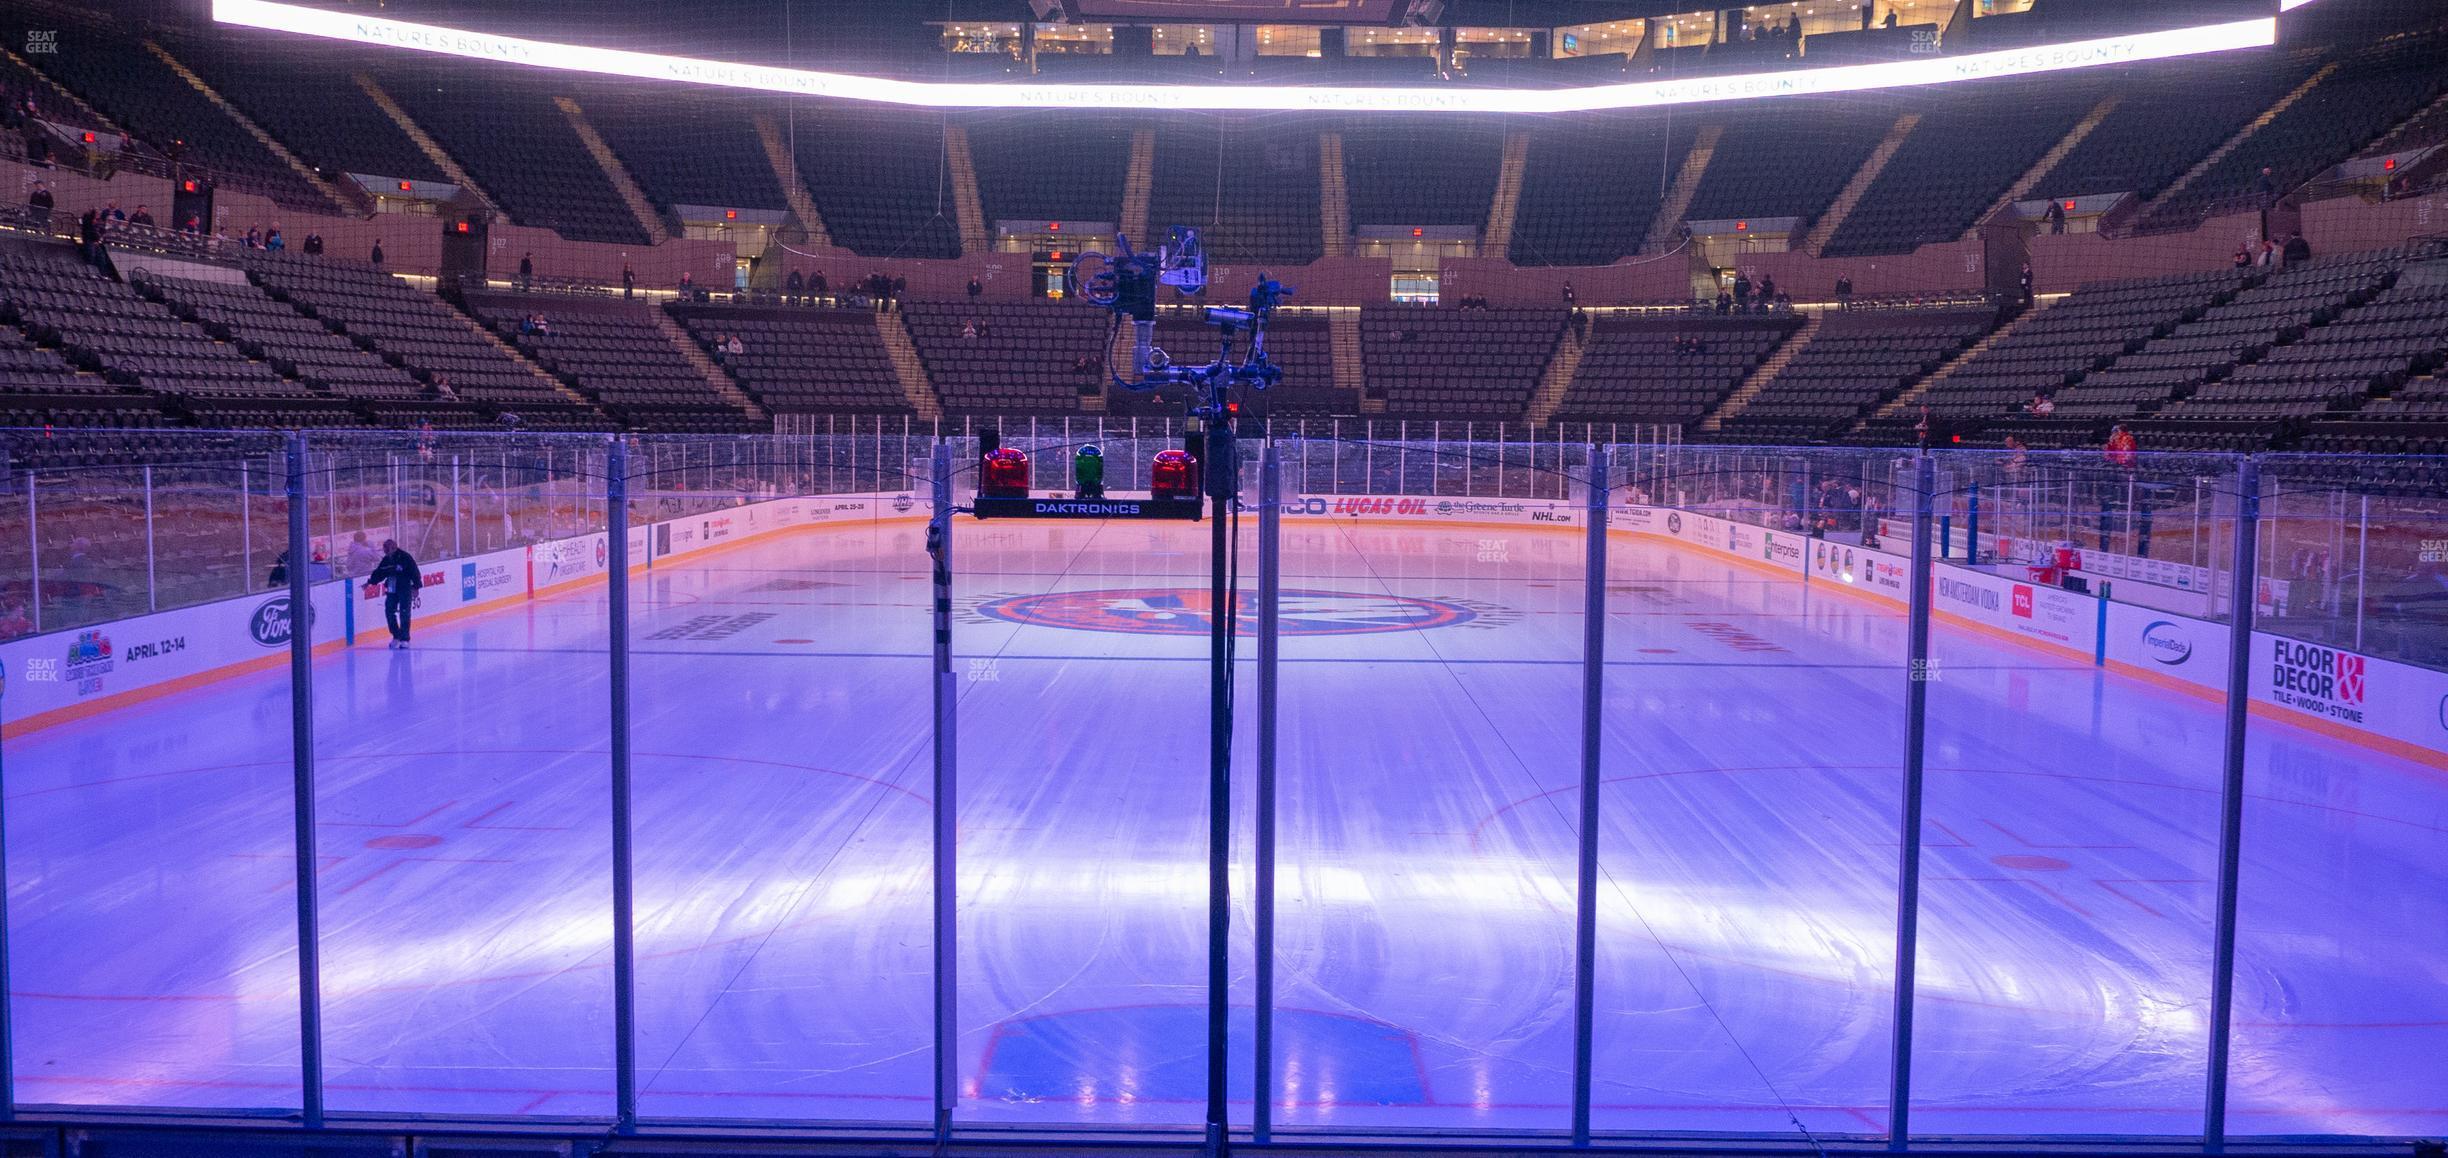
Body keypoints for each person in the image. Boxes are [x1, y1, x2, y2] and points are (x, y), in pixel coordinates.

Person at [368, 539, 423, 649]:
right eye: (384, 551)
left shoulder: (405, 557)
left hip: (405, 588)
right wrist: (370, 582)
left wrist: (416, 587)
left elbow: (414, 572)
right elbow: (380, 572)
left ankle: (405, 638)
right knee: (389, 611)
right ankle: (396, 636)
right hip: (392, 588)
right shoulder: (386, 559)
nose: (386, 553)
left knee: (404, 612)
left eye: (387, 550)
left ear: (393, 548)